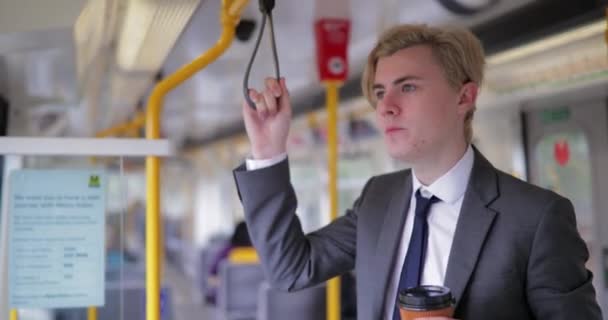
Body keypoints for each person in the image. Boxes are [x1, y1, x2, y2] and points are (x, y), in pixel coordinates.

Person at [232, 24, 603, 319]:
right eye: (379, 92)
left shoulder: (535, 218)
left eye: (407, 87)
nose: (386, 107)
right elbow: (291, 269)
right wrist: (267, 150)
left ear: (464, 97)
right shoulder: (378, 198)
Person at [204, 221, 252, 305]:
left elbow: (212, 277)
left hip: (228, 302)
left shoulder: (226, 252)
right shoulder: (262, 254)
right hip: (257, 304)